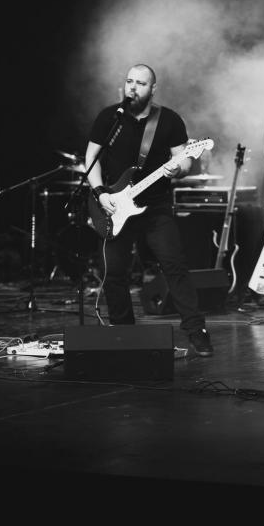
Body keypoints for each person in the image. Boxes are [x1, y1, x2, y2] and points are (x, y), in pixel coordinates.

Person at [84, 63, 212, 356]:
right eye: (129, 81)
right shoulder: (109, 118)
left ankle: (196, 330)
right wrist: (100, 193)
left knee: (174, 265)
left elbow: (185, 159)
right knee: (113, 271)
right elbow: (91, 158)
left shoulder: (168, 120)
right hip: (115, 205)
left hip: (155, 207)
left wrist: (178, 169)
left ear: (153, 89)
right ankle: (123, 333)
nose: (133, 87)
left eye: (140, 83)